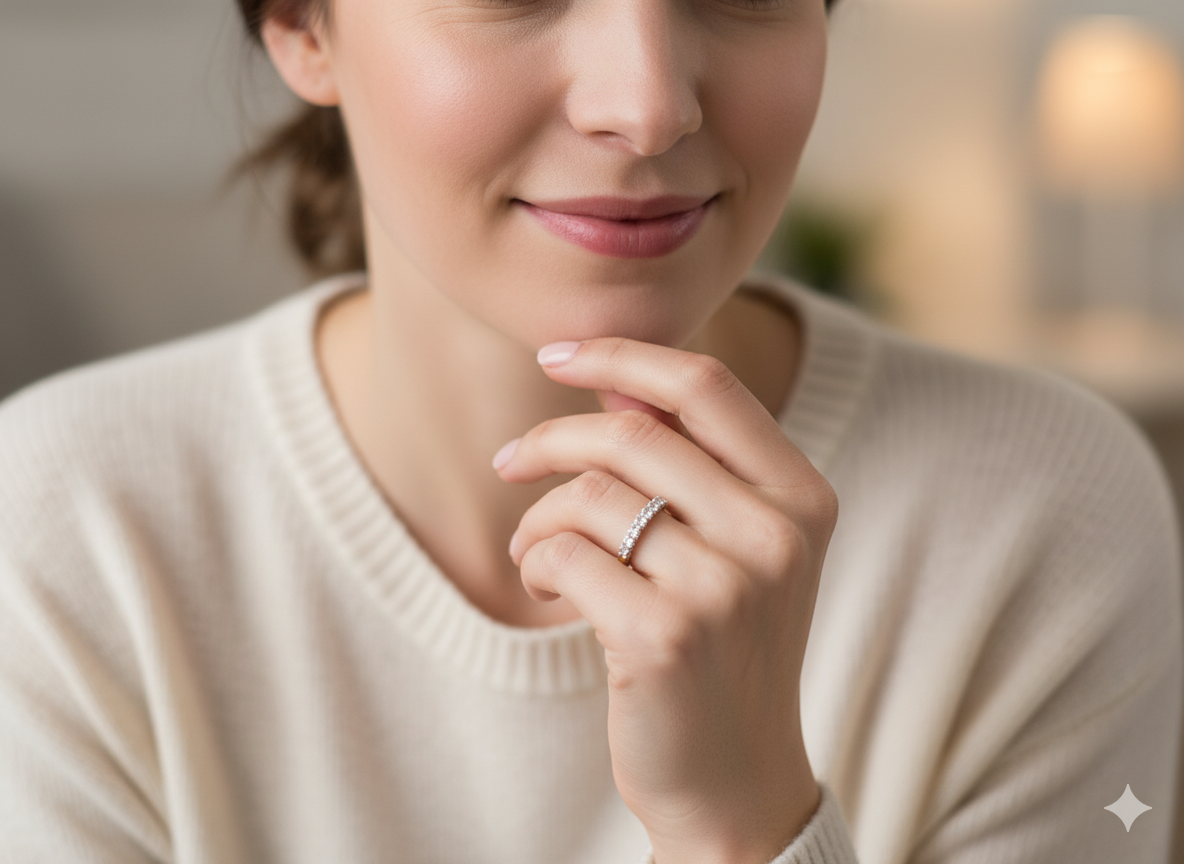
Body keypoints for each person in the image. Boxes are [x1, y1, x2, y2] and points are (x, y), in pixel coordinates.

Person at [0, 0, 1179, 860]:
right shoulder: (63, 528)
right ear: (304, 26)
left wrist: (739, 826)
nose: (648, 104)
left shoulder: (1043, 512)